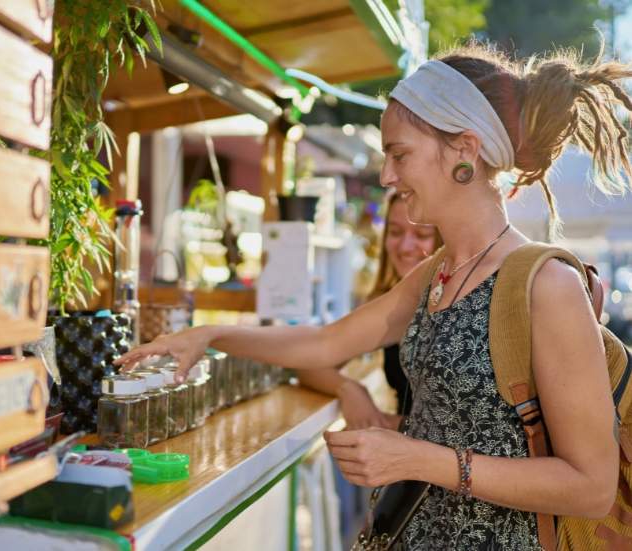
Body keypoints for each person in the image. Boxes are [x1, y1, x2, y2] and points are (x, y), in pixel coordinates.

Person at [117, 43, 624, 549]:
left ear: (465, 151)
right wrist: (211, 335)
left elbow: (591, 487)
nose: (386, 176)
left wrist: (415, 457)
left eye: (399, 154)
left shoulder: (548, 286)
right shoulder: (437, 274)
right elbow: (325, 344)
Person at [296, 191, 441, 430]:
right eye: (395, 232)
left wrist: (385, 424)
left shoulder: (463, 304)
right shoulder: (390, 302)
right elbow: (309, 363)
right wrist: (349, 389)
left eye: (422, 234)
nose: (405, 246)